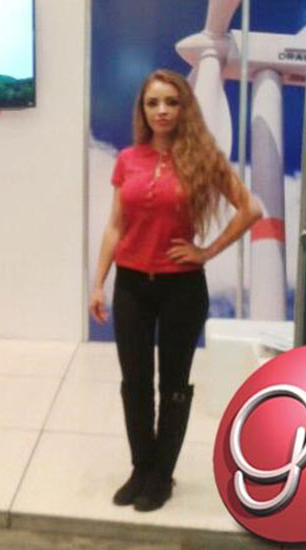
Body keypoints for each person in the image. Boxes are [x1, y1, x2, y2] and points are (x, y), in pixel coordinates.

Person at [89, 70, 262, 512]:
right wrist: (98, 282)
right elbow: (115, 226)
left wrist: (206, 251)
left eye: (171, 102)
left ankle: (162, 475)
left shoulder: (203, 158)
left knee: (173, 384)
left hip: (181, 289)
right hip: (131, 285)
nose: (162, 111)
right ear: (143, 110)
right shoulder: (128, 158)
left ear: (185, 108)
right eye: (153, 103)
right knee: (134, 383)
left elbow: (251, 209)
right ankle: (140, 468)